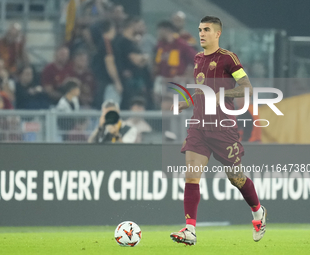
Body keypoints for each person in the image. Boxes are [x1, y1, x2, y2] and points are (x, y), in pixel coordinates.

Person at [169, 16, 266, 245]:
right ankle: (190, 230)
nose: (201, 33)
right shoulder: (197, 58)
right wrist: (188, 101)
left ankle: (258, 212)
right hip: (199, 127)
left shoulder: (228, 58)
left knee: (236, 178)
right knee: (191, 176)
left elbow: (246, 89)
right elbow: (203, 90)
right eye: (200, 29)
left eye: (207, 30)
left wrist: (223, 95)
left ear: (217, 33)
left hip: (223, 129)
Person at [154, 20, 197, 108]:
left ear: (166, 30)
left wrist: (186, 76)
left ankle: (179, 121)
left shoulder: (181, 44)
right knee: (161, 105)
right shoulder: (160, 45)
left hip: (177, 81)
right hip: (163, 81)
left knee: (178, 105)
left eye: (160, 31)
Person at [114, 16, 151, 110]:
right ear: (132, 26)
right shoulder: (124, 42)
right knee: (132, 105)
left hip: (136, 80)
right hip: (130, 82)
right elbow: (137, 61)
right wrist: (146, 57)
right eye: (139, 25)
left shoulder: (133, 42)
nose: (142, 28)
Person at [92, 19, 122, 109]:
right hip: (108, 83)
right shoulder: (107, 42)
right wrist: (117, 82)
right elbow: (109, 62)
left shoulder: (101, 42)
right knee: (110, 107)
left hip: (103, 81)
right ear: (112, 29)